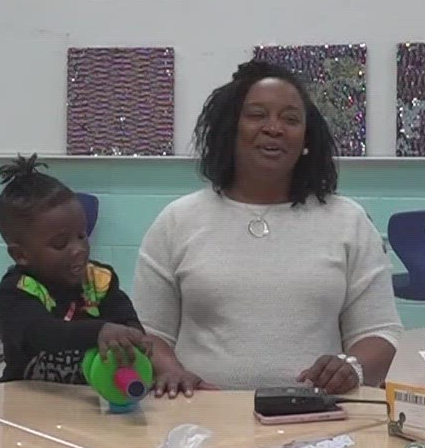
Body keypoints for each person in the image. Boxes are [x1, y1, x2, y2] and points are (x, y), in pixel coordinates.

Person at [134, 61, 403, 396]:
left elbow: (380, 332)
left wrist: (352, 368)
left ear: (306, 138)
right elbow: (148, 331)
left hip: (317, 418)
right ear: (230, 128)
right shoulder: (177, 220)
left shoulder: (349, 221)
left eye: (291, 119)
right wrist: (173, 372)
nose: (274, 128)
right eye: (257, 115)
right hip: (201, 417)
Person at [0, 155, 147, 384]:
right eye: (60, 244)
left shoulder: (98, 279)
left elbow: (123, 315)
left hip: (88, 399)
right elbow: (43, 333)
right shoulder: (15, 292)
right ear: (20, 255)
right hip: (27, 400)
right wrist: (99, 331)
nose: (79, 250)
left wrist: (131, 334)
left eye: (82, 236)